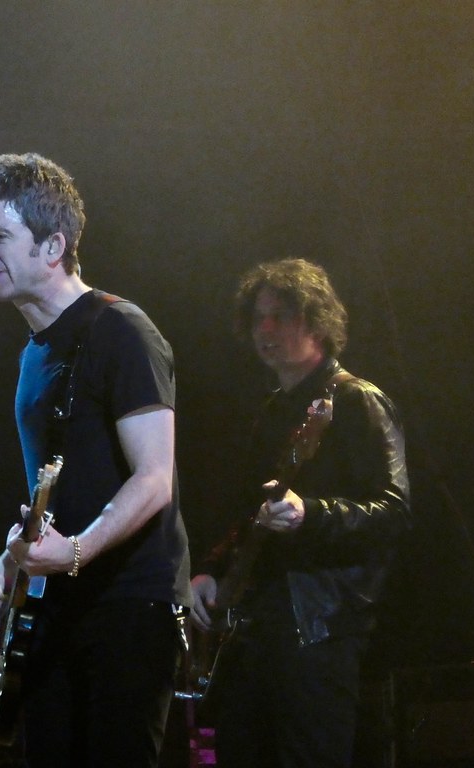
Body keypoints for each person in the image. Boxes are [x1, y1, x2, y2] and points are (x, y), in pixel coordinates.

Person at [0, 152, 191, 768]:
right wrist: (6, 568)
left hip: (129, 608)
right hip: (55, 609)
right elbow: (58, 495)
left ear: (53, 245)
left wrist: (75, 553)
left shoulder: (123, 330)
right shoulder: (33, 354)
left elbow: (155, 479)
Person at [188, 258, 411, 768]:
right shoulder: (272, 411)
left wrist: (311, 513)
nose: (265, 329)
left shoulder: (358, 401)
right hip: (254, 628)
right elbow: (249, 513)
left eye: (281, 316)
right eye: (258, 317)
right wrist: (212, 570)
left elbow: (395, 512)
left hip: (319, 629)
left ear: (317, 322)